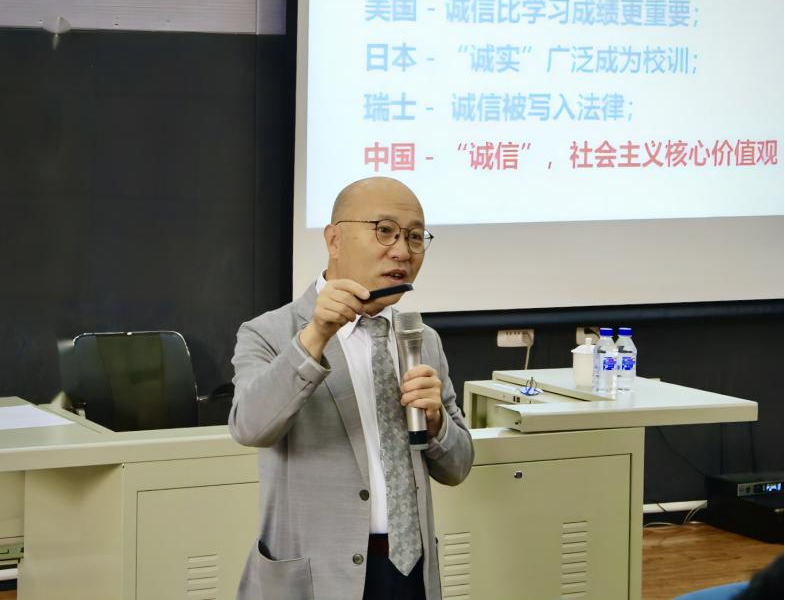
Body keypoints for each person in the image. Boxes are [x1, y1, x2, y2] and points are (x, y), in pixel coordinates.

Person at [228, 176, 474, 600]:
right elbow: (249, 427)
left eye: (415, 237)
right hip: (316, 575)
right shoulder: (270, 332)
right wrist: (315, 337)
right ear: (334, 240)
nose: (402, 251)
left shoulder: (422, 339)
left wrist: (437, 424)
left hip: (409, 570)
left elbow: (458, 466)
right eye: (385, 231)